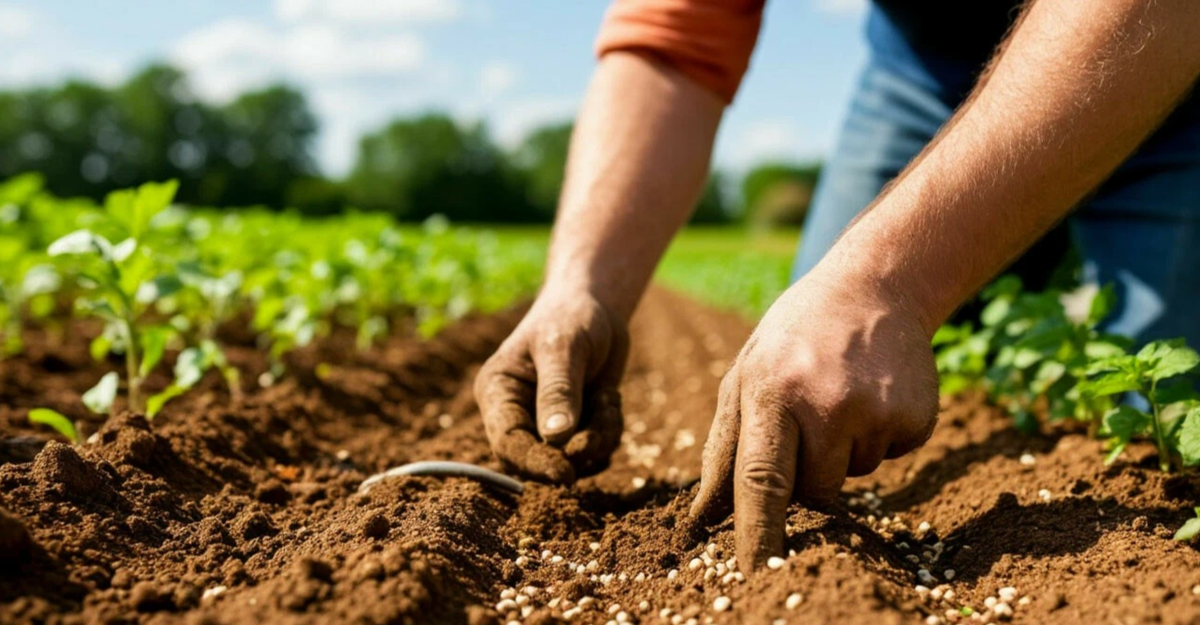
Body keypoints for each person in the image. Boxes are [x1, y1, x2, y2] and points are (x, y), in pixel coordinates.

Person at [473, 0, 1200, 571]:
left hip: (1162, 49)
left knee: (1156, 428)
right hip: (925, 61)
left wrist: (888, 280)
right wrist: (583, 282)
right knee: (818, 378)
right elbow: (676, 37)